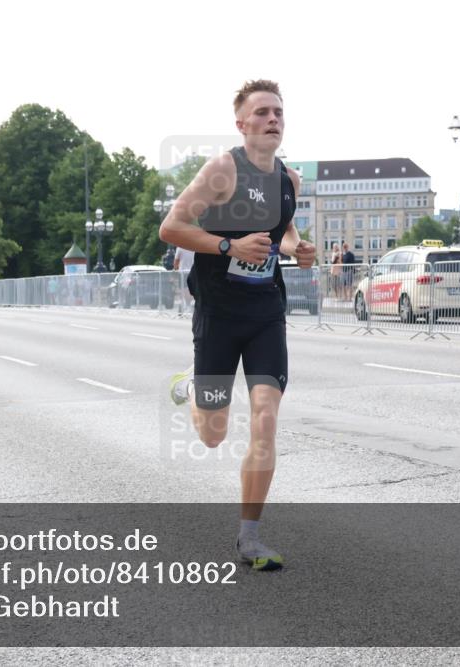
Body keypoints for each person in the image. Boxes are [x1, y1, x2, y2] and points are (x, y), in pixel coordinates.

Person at [159, 79, 315, 571]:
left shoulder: (290, 180)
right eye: (263, 112)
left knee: (266, 417)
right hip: (219, 313)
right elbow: (171, 227)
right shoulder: (222, 169)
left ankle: (250, 538)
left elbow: (283, 231)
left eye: (279, 113)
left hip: (267, 311)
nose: (273, 119)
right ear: (241, 123)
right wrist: (229, 246)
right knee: (212, 435)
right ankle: (190, 383)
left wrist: (298, 249)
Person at [173, 246, 195, 313]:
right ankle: (190, 303)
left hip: (183, 272)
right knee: (190, 289)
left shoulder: (180, 247)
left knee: (183, 289)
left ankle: (187, 304)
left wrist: (175, 269)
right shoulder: (194, 246)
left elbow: (176, 261)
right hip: (192, 271)